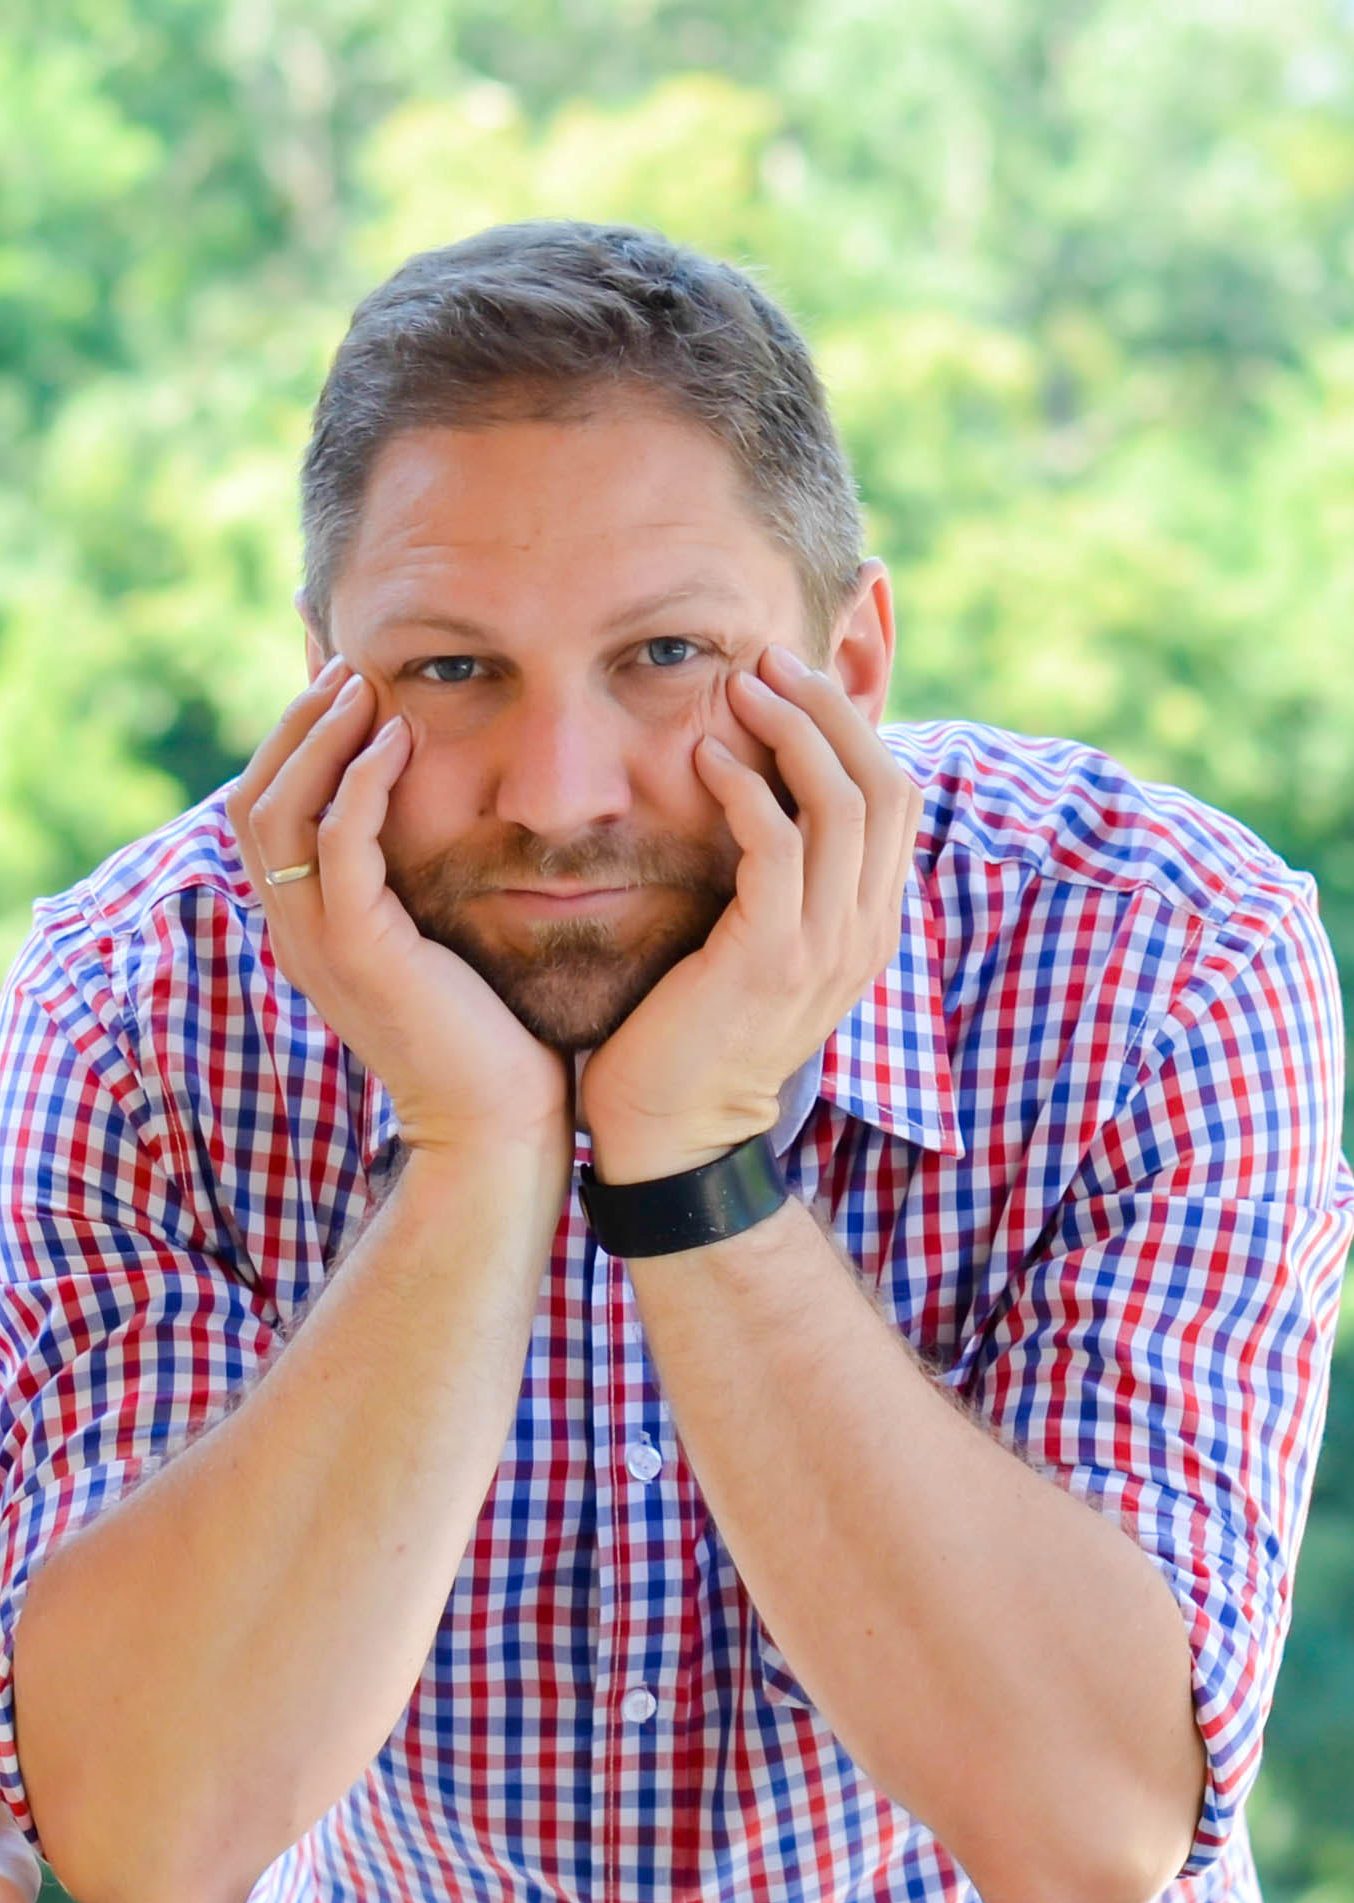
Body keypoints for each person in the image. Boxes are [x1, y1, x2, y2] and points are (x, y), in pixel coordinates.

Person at [0, 221, 1350, 1903]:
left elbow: (1090, 1837)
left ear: (849, 668)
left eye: (663, 658)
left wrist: (694, 1155)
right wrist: (473, 1152)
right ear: (323, 686)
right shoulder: (135, 1004)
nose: (558, 794)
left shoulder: (1162, 956)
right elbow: (145, 1831)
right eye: (451, 670)